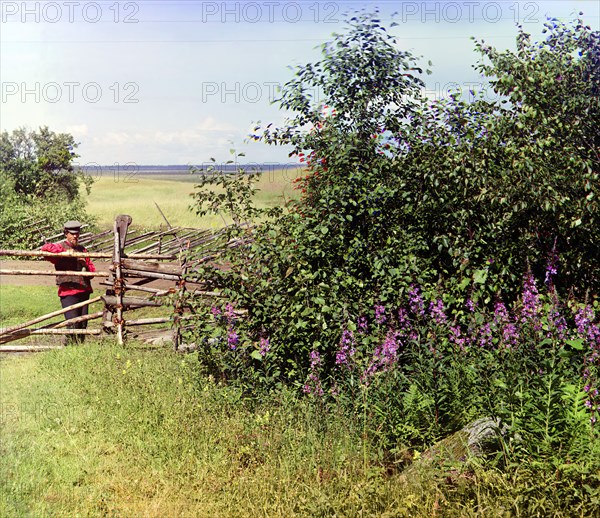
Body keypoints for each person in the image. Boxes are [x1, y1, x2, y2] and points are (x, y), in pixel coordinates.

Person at [41, 220, 96, 343]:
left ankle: (79, 351)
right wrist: (65, 253)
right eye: (72, 234)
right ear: (66, 233)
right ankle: (69, 348)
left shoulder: (83, 250)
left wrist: (84, 265)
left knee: (82, 324)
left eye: (77, 233)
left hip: (84, 290)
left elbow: (92, 271)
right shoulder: (61, 246)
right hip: (68, 292)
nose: (75, 236)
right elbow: (45, 249)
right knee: (72, 324)